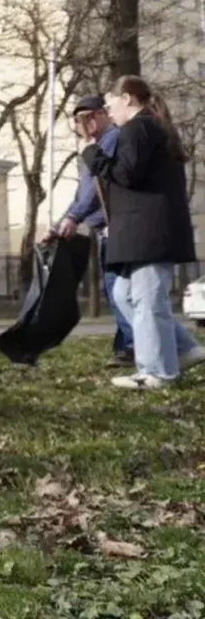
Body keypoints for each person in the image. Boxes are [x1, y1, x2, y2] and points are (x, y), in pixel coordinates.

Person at [80, 75, 205, 389]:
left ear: (127, 98)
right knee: (125, 294)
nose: (108, 112)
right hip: (142, 230)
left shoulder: (139, 128)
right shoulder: (146, 127)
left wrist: (92, 154)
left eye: (109, 104)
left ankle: (157, 372)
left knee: (149, 301)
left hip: (149, 231)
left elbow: (126, 174)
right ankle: (186, 349)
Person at [45, 95, 134, 367]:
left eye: (91, 115)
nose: (86, 123)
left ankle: (132, 347)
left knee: (120, 290)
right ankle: (128, 346)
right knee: (116, 290)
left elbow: (102, 186)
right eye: (80, 119)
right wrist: (63, 221)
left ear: (104, 114)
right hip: (103, 229)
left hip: (117, 225)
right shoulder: (91, 147)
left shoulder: (110, 140)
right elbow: (82, 192)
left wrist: (73, 217)